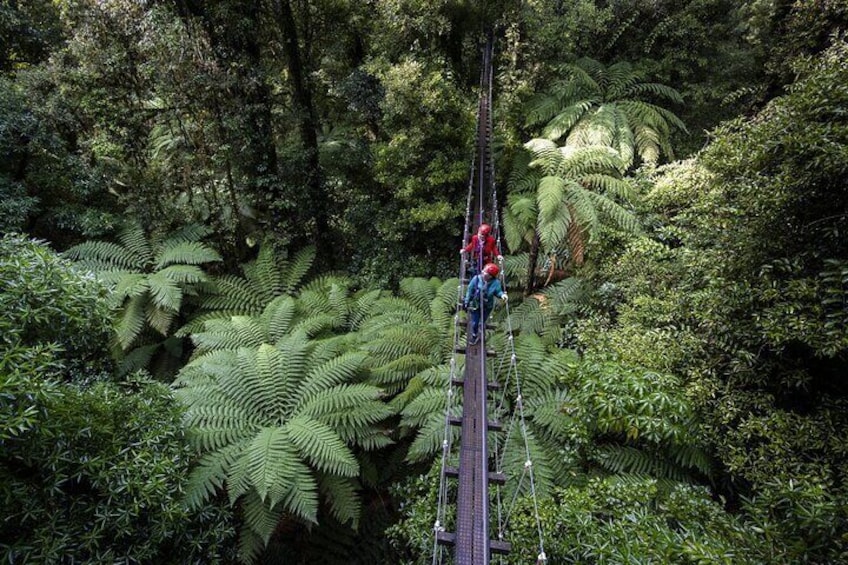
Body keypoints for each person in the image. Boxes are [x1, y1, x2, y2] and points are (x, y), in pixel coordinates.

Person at [463, 263, 507, 345]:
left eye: (485, 272)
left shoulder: (496, 283)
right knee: (475, 323)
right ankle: (474, 335)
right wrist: (467, 301)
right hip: (476, 304)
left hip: (487, 306)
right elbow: (470, 290)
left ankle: (480, 328)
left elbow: (498, 291)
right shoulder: (476, 279)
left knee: (482, 321)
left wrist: (502, 295)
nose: (483, 273)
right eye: (483, 271)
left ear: (490, 276)